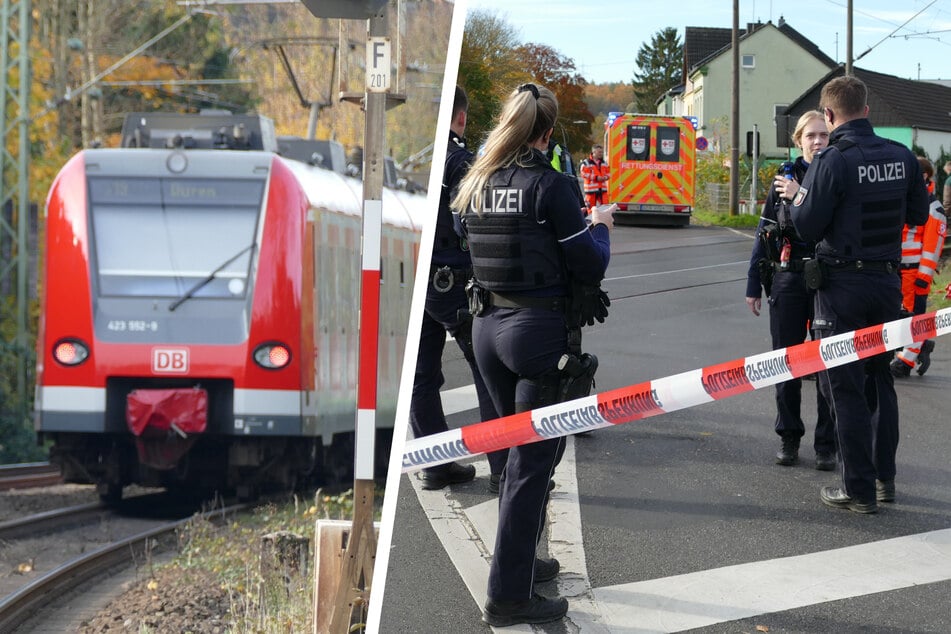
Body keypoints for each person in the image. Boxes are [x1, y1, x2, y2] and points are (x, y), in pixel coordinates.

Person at [452, 82, 613, 626]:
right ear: (547, 133)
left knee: (515, 458)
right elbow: (588, 263)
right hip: (536, 335)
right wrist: (602, 229)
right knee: (531, 466)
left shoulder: (478, 180)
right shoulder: (551, 186)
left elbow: (463, 239)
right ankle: (508, 596)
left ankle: (523, 564)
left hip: (485, 329)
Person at [790, 75, 929, 514]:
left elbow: (805, 226)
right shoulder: (902, 156)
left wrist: (798, 201)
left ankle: (859, 490)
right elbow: (918, 214)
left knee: (844, 386)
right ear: (867, 111)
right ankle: (885, 480)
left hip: (841, 288)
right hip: (886, 284)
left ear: (829, 115)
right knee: (880, 380)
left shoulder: (832, 160)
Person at [409, 85, 507, 491]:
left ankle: (435, 464)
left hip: (415, 278)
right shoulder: (460, 162)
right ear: (461, 118)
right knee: (487, 368)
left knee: (420, 375)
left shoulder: (416, 159)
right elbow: (471, 222)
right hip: (452, 279)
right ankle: (502, 469)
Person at [745, 110, 836, 471]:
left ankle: (826, 444)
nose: (818, 141)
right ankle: (789, 435)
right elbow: (764, 232)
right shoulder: (783, 180)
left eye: (824, 135)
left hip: (829, 278)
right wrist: (753, 283)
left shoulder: (837, 174)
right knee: (786, 362)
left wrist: (802, 197)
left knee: (829, 363)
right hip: (789, 276)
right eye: (811, 135)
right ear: (798, 141)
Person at [891, 156, 947, 377]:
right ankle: (919, 347)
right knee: (899, 317)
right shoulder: (907, 199)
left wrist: (923, 276)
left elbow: (933, 247)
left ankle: (905, 361)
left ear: (923, 176)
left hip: (914, 273)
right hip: (897, 269)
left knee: (914, 318)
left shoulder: (933, 208)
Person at [579, 144, 610, 212]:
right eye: (599, 152)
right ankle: (590, 219)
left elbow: (608, 173)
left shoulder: (604, 163)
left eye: (601, 152)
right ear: (593, 152)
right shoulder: (586, 163)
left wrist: (605, 177)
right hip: (590, 190)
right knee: (590, 209)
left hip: (602, 189)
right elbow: (583, 173)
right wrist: (596, 177)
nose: (601, 154)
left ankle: (603, 218)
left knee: (605, 208)